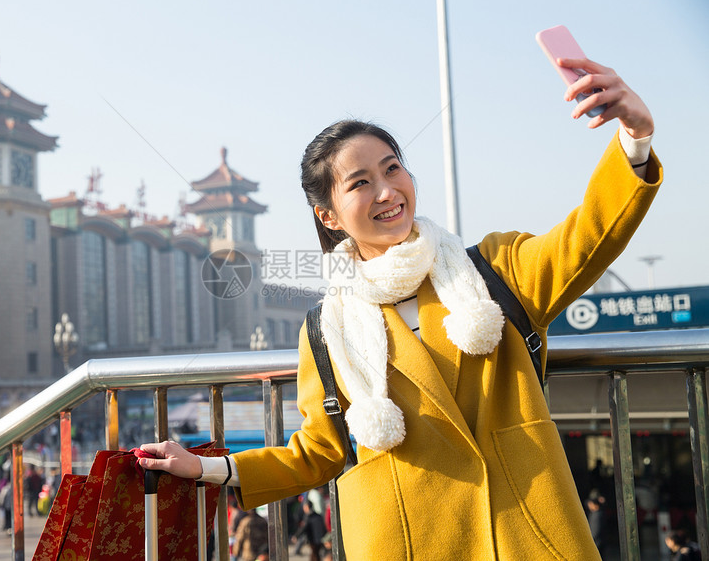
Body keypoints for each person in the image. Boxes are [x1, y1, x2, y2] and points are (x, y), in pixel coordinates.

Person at [138, 55, 660, 560]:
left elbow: (587, 237)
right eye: (361, 182)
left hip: (526, 530)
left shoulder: (495, 269)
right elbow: (318, 452)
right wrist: (207, 469)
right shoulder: (326, 327)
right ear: (329, 216)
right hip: (408, 539)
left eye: (394, 168)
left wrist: (634, 140)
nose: (388, 191)